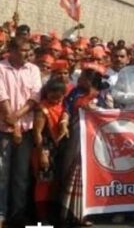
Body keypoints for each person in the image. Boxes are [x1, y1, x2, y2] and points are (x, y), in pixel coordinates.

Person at [62, 63, 111, 226]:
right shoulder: (75, 93)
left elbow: (109, 113)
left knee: (90, 175)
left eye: (82, 77)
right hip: (76, 138)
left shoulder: (102, 95)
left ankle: (86, 213)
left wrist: (96, 109)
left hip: (94, 141)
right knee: (73, 171)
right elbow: (66, 108)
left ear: (89, 80)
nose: (79, 79)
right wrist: (64, 122)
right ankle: (69, 212)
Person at [0, 37, 42, 227]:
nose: (27, 53)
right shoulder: (1, 68)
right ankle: (1, 213)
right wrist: (11, 121)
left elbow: (35, 97)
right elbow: (2, 97)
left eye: (29, 50)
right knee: (2, 173)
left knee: (21, 174)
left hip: (25, 130)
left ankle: (17, 213)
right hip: (3, 129)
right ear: (12, 50)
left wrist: (16, 118)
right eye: (23, 50)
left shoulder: (33, 70)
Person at [32, 78, 69, 224]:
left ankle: (51, 215)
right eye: (52, 94)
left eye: (59, 95)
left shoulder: (61, 104)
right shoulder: (42, 109)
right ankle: (41, 218)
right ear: (47, 92)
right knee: (43, 183)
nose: (56, 98)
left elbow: (66, 113)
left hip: (58, 148)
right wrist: (42, 153)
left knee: (54, 183)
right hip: (45, 148)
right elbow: (37, 133)